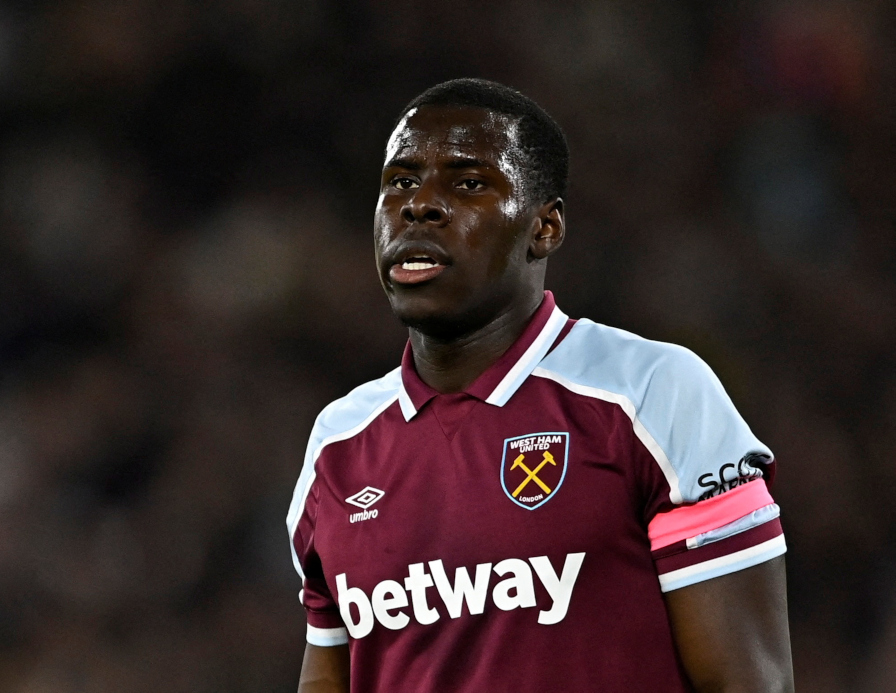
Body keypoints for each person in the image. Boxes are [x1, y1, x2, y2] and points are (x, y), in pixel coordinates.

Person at [287, 78, 793, 693]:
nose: (419, 205)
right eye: (400, 181)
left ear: (545, 227)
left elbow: (751, 683)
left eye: (469, 182)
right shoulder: (336, 445)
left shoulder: (652, 393)